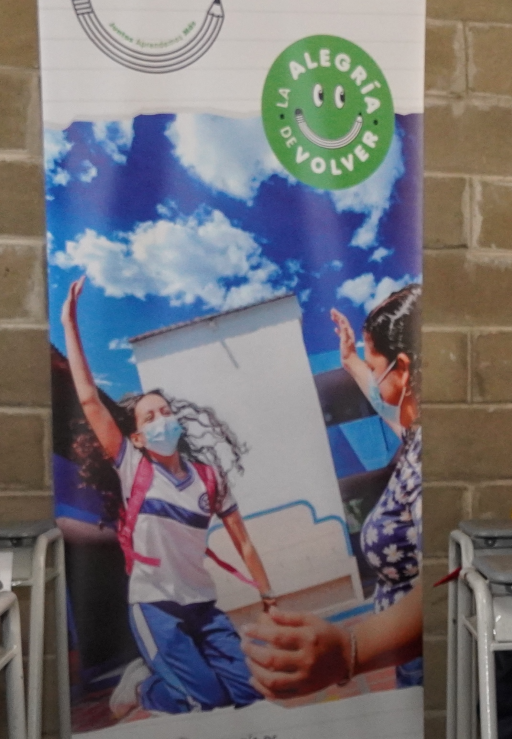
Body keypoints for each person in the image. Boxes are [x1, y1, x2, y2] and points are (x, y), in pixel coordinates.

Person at [61, 277, 277, 715]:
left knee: (252, 694)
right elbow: (88, 400)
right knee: (203, 703)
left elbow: (245, 541)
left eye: (166, 411)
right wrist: (69, 322)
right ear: (137, 437)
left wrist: (268, 596)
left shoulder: (209, 479)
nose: (162, 419)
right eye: (150, 416)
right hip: (155, 606)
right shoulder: (132, 467)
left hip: (203, 606)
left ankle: (171, 680)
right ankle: (144, 687)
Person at [242, 286, 427, 699]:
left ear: (401, 367)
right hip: (413, 667)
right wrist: (350, 361)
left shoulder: (428, 459)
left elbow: (441, 582)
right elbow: (387, 404)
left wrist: (349, 649)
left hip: (429, 672)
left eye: (373, 359)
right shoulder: (419, 439)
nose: (371, 372)